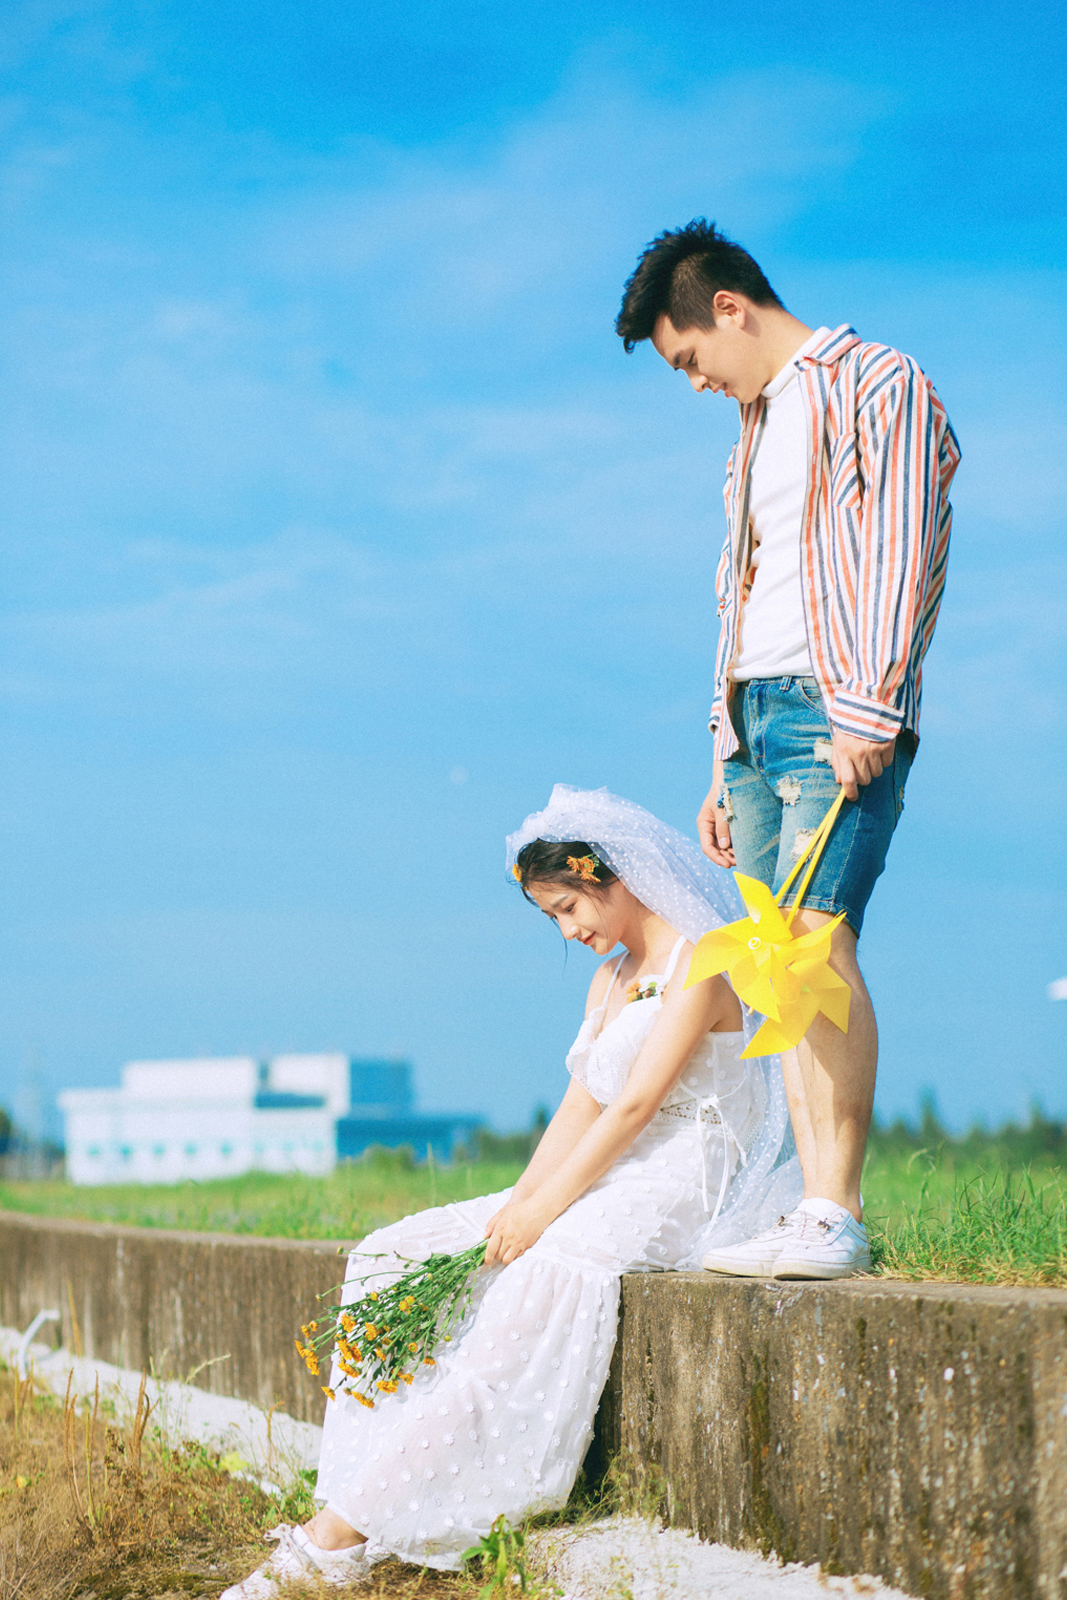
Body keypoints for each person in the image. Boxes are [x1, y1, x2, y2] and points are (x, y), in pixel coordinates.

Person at [221, 785, 793, 1597]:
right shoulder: (611, 979)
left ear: (611, 875)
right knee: (392, 1253)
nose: (567, 931)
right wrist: (518, 1202)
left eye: (568, 907)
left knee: (539, 1270)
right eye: (552, 917)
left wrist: (543, 1216)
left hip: (676, 1177)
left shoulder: (702, 961)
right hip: (607, 1165)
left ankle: (340, 1535)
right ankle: (358, 1501)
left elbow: (635, 1107)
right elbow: (581, 1105)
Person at [615, 220, 960, 1279]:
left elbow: (902, 545)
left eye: (688, 358)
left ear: (727, 307)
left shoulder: (876, 381)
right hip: (754, 717)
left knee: (814, 944)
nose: (693, 382)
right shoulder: (752, 431)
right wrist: (722, 751)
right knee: (772, 967)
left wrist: (871, 706)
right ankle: (810, 1207)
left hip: (833, 704)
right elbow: (742, 594)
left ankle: (833, 1209)